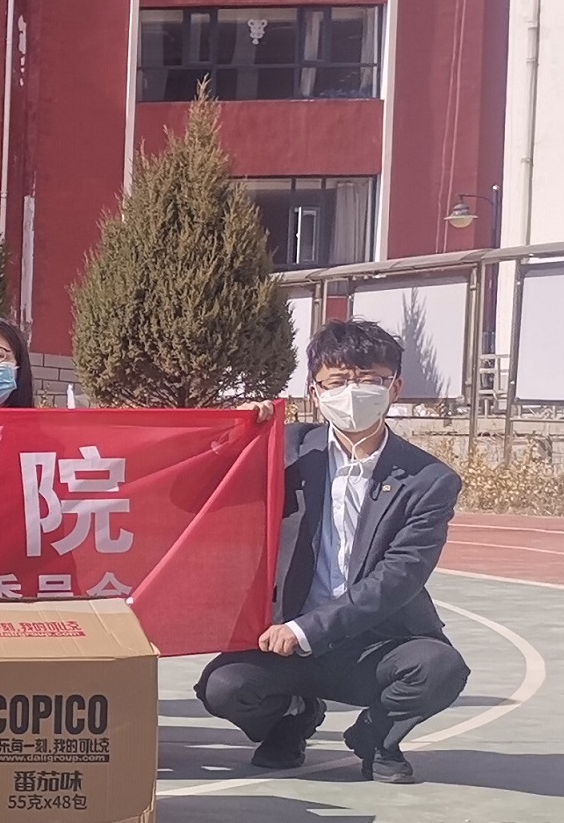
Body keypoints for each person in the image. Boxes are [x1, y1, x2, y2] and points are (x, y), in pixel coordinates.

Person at [198, 319, 469, 784]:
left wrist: (308, 630)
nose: (353, 392)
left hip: (376, 641)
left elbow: (400, 576)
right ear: (315, 390)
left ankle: (376, 737)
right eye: (338, 381)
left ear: (394, 387)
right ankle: (292, 719)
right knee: (224, 688)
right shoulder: (284, 449)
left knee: (439, 669)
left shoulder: (429, 480)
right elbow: (202, 495)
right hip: (282, 637)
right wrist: (231, 436)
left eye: (369, 380)